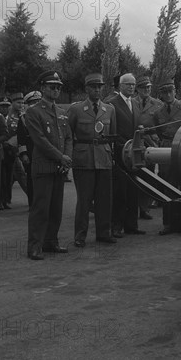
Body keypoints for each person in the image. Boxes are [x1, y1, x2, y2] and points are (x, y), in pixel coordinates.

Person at [24, 71, 73, 260]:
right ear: (43, 88)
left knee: (56, 209)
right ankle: (34, 247)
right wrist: (61, 157)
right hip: (44, 167)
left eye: (58, 87)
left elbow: (68, 137)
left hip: (60, 167)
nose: (56, 90)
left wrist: (67, 157)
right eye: (52, 86)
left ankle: (51, 242)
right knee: (41, 209)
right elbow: (40, 141)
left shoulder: (61, 112)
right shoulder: (33, 111)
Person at [67, 73, 117, 247]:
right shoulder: (76, 109)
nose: (97, 90)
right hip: (84, 158)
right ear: (86, 89)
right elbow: (68, 135)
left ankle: (104, 233)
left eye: (99, 87)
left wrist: (113, 158)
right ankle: (80, 236)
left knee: (105, 199)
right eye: (93, 87)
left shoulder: (109, 109)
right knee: (84, 200)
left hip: (104, 157)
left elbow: (112, 137)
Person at [153, 79, 181, 235]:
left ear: (175, 92)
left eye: (171, 91)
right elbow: (159, 132)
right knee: (167, 186)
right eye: (165, 93)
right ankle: (169, 223)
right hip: (166, 150)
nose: (169, 95)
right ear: (161, 96)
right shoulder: (158, 113)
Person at [106, 73, 145, 236]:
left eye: (133, 84)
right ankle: (117, 226)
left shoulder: (136, 104)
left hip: (133, 154)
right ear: (120, 86)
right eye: (128, 84)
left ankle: (132, 225)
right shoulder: (111, 103)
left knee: (133, 190)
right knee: (119, 191)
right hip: (118, 153)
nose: (131, 87)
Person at [132, 75, 163, 220]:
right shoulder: (131, 102)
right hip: (135, 143)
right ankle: (133, 207)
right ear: (137, 89)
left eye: (149, 87)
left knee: (148, 176)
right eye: (144, 88)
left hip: (150, 143)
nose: (147, 90)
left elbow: (161, 124)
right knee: (133, 176)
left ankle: (144, 208)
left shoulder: (157, 104)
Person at [17, 90, 42, 207]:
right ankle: (32, 203)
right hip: (30, 151)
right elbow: (21, 138)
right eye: (33, 102)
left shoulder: (44, 115)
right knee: (31, 179)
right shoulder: (23, 118)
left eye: (38, 101)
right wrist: (24, 154)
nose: (36, 104)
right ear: (28, 103)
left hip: (44, 152)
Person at [5, 92, 30, 204]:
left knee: (16, 175)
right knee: (17, 175)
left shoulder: (23, 116)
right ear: (12, 103)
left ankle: (4, 199)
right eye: (18, 102)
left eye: (23, 103)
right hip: (9, 150)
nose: (21, 105)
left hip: (20, 150)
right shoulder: (8, 117)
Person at [0, 97, 12, 210]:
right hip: (0, 150)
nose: (5, 108)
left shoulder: (13, 120)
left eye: (7, 106)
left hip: (10, 152)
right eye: (2, 106)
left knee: (9, 178)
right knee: (0, 178)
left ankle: (6, 200)